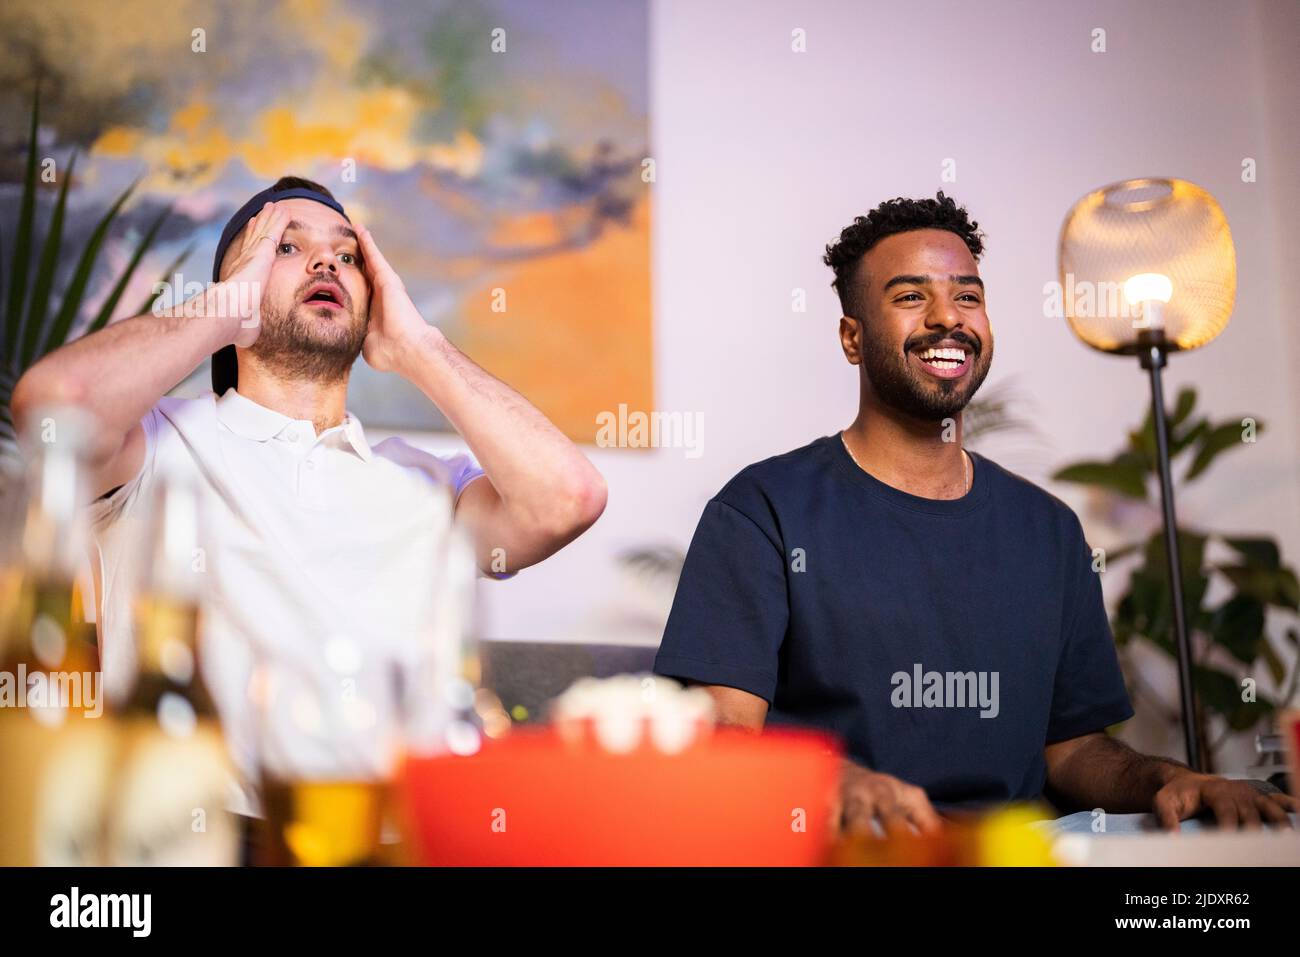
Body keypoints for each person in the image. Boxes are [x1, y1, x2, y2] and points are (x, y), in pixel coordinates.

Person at [654, 192, 1298, 835]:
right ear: (852, 337)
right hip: (849, 846)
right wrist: (836, 784)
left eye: (968, 296)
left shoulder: (1048, 529)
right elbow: (721, 734)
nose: (947, 319)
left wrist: (1170, 778)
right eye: (910, 297)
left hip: (1020, 848)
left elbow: (1071, 750)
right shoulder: (764, 511)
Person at [12, 176, 607, 795]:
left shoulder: (428, 483)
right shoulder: (155, 442)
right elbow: (55, 405)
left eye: (348, 256)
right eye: (286, 248)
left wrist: (417, 346)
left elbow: (569, 499)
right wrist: (223, 308)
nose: (326, 260)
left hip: (376, 837)